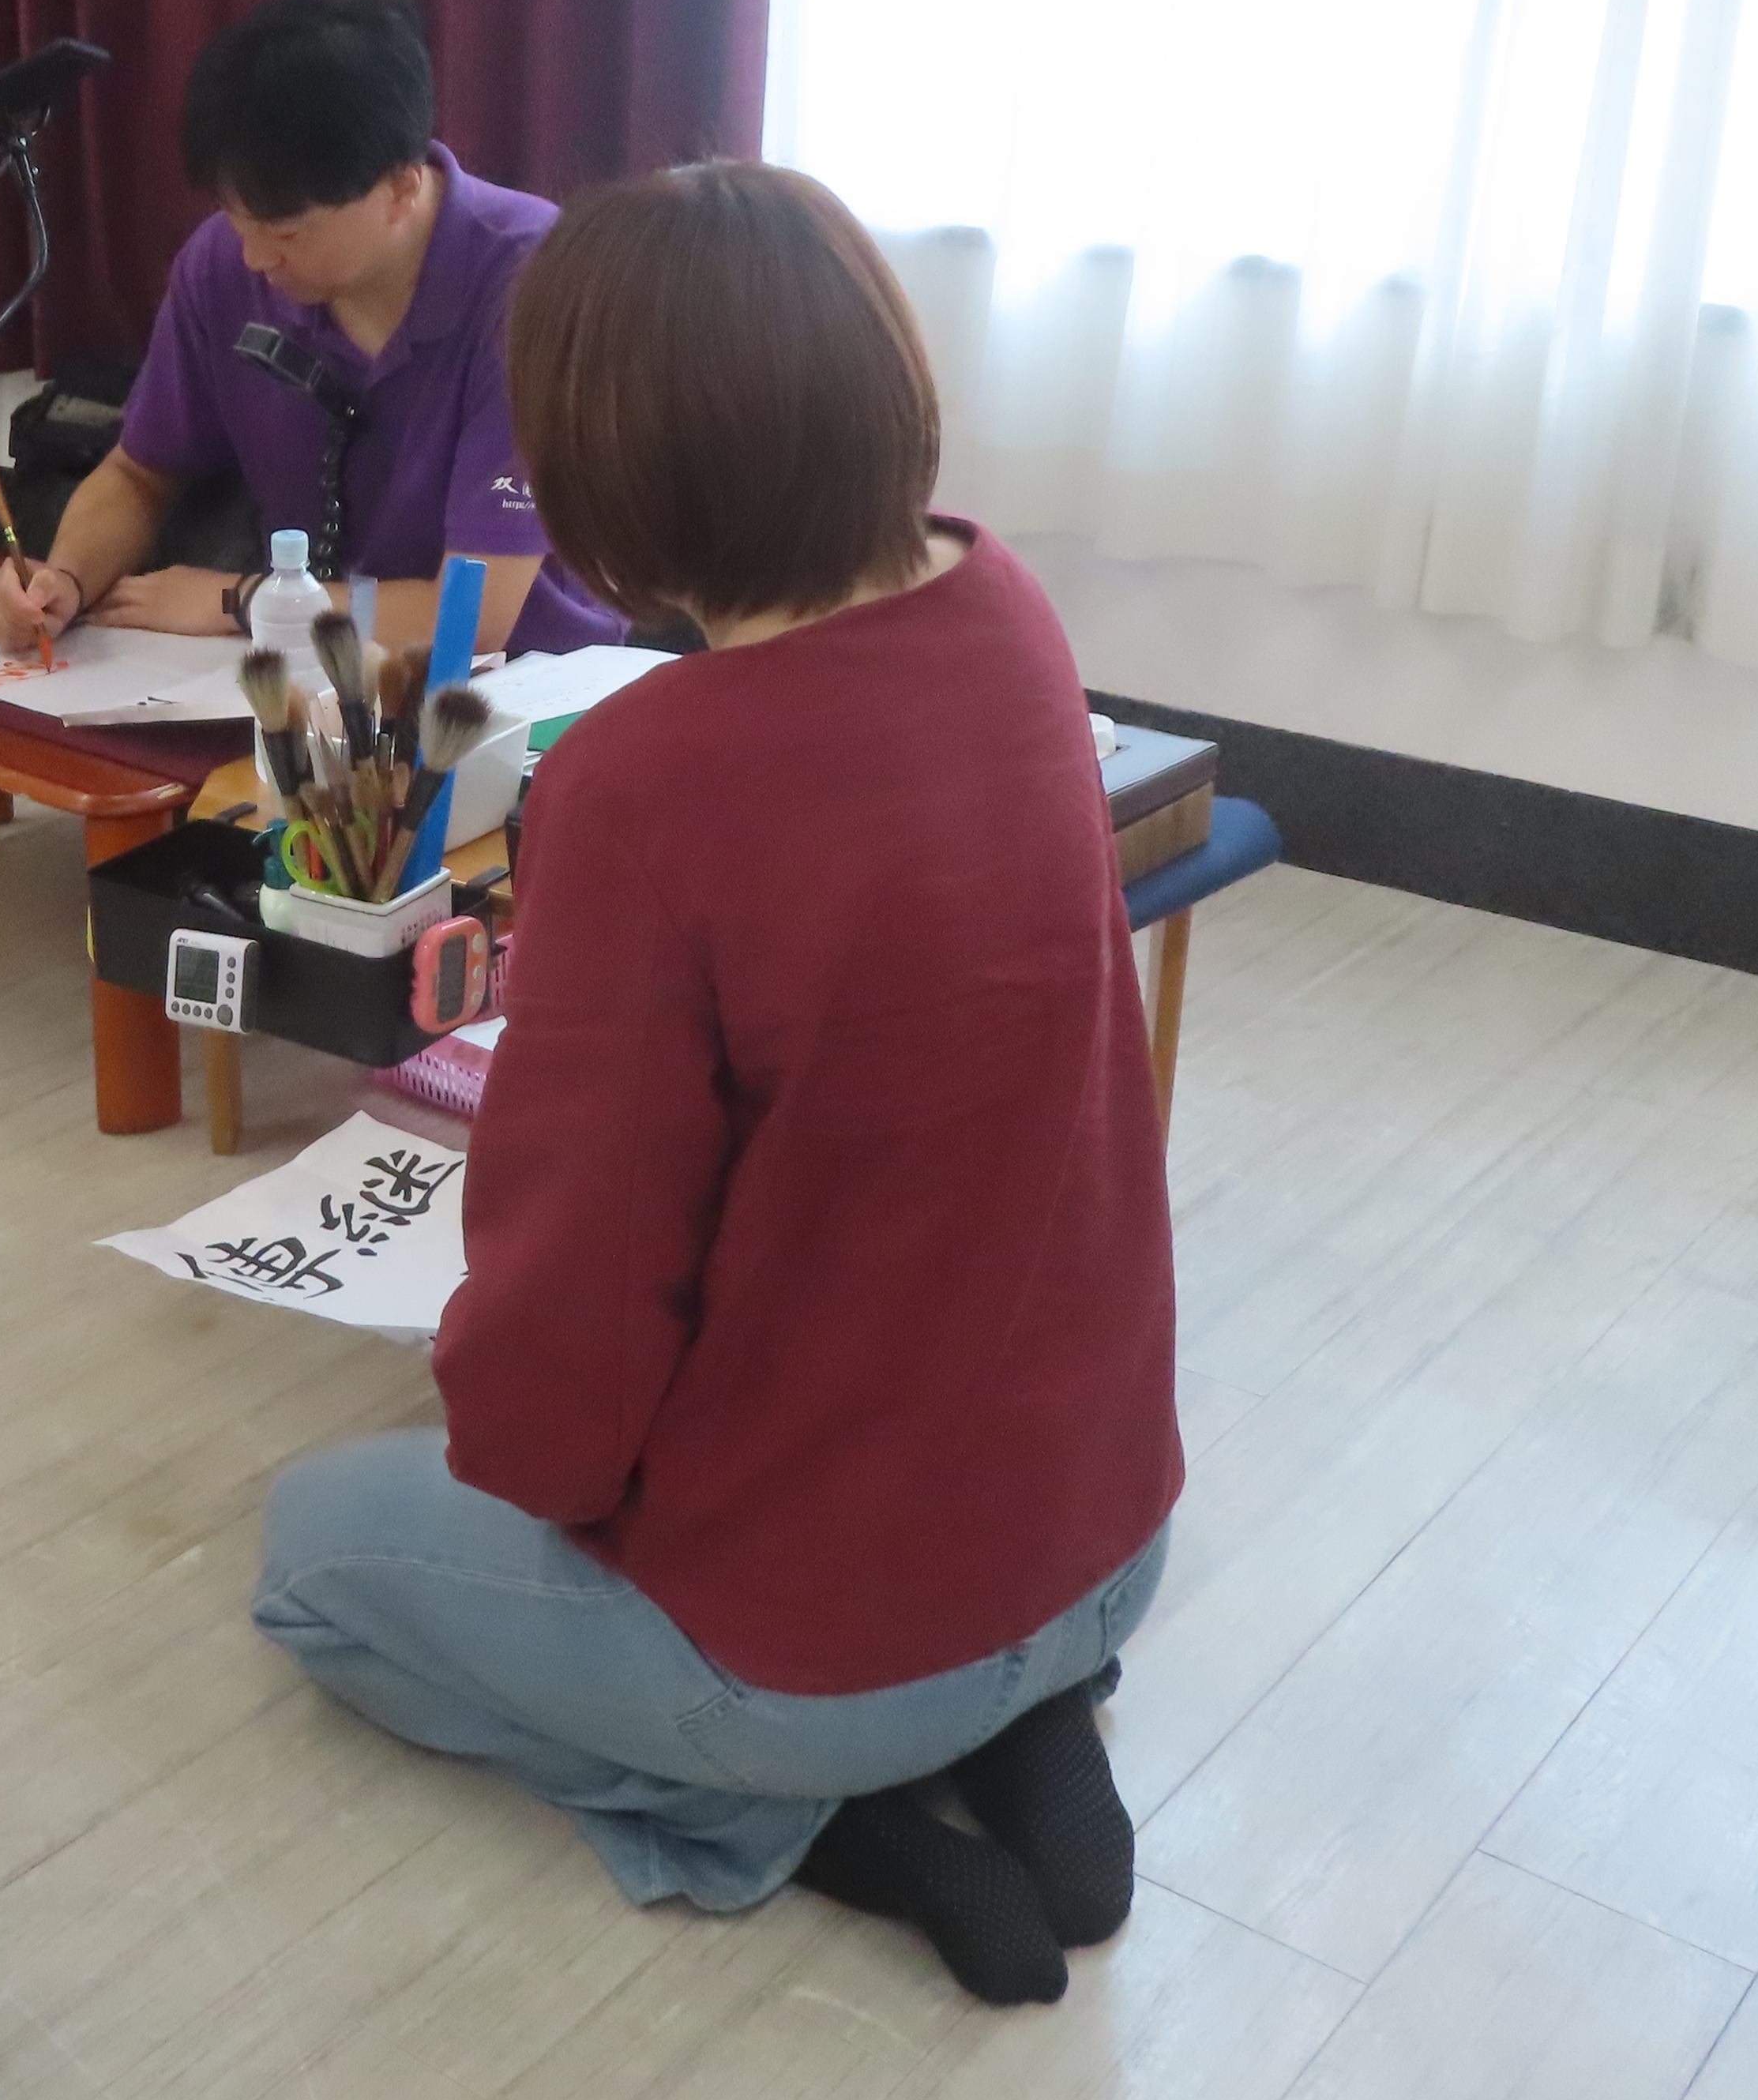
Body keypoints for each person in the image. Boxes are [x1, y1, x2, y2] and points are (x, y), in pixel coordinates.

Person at [248, 163, 1183, 2006]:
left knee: (310, 1554)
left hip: (821, 1644)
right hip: (1102, 1535)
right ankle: (1024, 1715)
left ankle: (810, 1816)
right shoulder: (1010, 612)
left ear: (606, 480)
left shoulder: (647, 780)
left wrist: (516, 1459)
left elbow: (574, 1308)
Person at [0, 0, 621, 663]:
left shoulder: (534, 285)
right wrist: (65, 579)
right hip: (317, 665)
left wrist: (244, 600)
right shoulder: (222, 265)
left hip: (532, 682)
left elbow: (474, 618)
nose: (255, 258)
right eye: (238, 220)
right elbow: (139, 474)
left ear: (401, 187)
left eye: (287, 232)